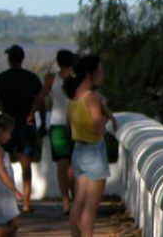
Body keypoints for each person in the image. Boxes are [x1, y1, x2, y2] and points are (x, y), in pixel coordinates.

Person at [64, 54, 118, 237]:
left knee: (78, 203)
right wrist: (106, 114)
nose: (102, 75)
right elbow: (99, 129)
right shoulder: (91, 97)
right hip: (94, 152)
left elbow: (68, 123)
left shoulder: (73, 97)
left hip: (78, 151)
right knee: (90, 208)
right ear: (89, 74)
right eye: (99, 71)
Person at [0, 44, 43, 213]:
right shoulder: (32, 78)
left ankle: (7, 199)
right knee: (26, 164)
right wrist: (41, 122)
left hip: (7, 126)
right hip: (27, 125)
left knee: (4, 164)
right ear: (22, 59)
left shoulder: (2, 78)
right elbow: (41, 102)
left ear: (10, 59)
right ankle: (26, 202)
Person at [26, 49, 76, 214]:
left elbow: (40, 97)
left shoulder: (52, 78)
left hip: (58, 124)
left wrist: (32, 114)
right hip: (76, 124)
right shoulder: (78, 78)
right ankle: (76, 200)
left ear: (58, 62)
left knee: (62, 165)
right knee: (73, 165)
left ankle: (66, 202)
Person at [0, 112, 23, 237]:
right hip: (1, 193)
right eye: (9, 133)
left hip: (5, 193)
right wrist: (15, 190)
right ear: (0, 131)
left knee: (12, 226)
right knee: (13, 226)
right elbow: (2, 173)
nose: (10, 137)